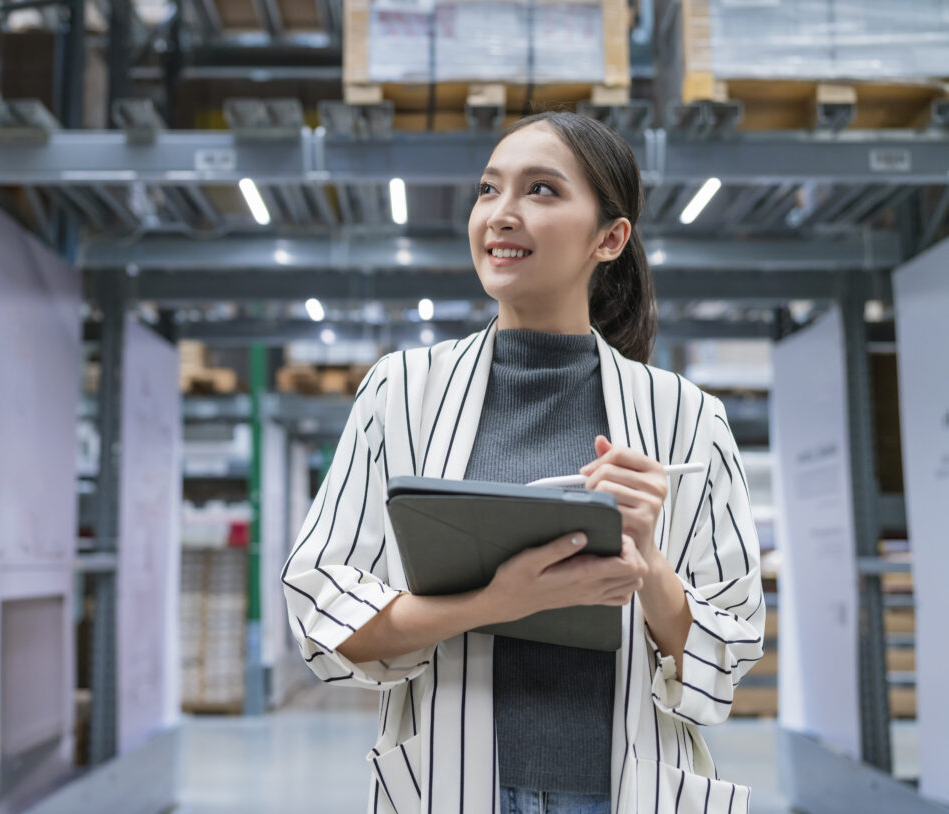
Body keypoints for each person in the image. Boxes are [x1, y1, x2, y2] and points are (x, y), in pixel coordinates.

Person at [281, 111, 765, 814]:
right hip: (453, 784)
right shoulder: (402, 392)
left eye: (541, 191)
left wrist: (650, 564)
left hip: (625, 790)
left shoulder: (687, 418)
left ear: (610, 238)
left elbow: (729, 650)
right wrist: (498, 603)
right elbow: (323, 611)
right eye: (488, 190)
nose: (501, 215)